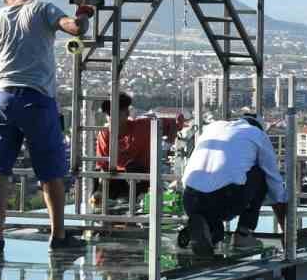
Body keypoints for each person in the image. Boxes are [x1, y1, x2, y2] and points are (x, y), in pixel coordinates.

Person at [0, 0, 93, 254]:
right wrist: (84, 12)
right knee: (50, 172)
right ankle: (58, 236)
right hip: (36, 99)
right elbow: (75, 28)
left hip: (3, 100)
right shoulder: (43, 9)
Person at [178, 113, 288, 255]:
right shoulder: (258, 134)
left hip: (190, 199)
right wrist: (287, 231)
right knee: (261, 173)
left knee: (215, 225)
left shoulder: (212, 128)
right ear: (259, 127)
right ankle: (243, 234)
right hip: (224, 200)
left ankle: (208, 233)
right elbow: (275, 182)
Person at [91, 93, 186, 210]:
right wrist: (99, 191)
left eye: (117, 113)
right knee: (94, 175)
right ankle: (105, 208)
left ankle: (132, 204)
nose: (112, 118)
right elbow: (103, 167)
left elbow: (175, 123)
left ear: (126, 114)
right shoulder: (104, 134)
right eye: (109, 114)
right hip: (114, 179)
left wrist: (167, 146)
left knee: (132, 166)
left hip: (140, 180)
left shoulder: (143, 126)